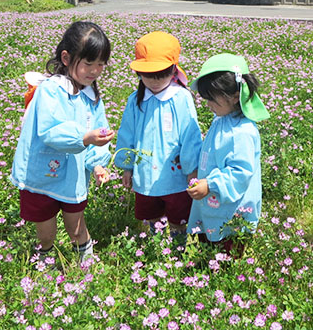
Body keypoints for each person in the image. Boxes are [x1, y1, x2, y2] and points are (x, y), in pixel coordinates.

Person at [10, 21, 115, 264]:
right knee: (46, 234)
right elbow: (50, 131)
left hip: (73, 176)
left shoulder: (92, 97)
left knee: (77, 227)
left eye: (101, 64)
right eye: (88, 63)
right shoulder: (51, 90)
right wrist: (84, 138)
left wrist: (98, 164)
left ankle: (86, 267)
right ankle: (44, 262)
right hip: (41, 175)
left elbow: (97, 134)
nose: (95, 71)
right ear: (66, 58)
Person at [115, 31, 202, 244]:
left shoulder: (181, 98)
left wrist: (192, 171)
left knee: (178, 219)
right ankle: (155, 247)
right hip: (144, 175)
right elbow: (126, 135)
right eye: (148, 75)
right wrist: (127, 167)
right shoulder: (135, 100)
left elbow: (191, 137)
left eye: (161, 75)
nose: (154, 82)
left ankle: (178, 250)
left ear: (173, 70)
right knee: (151, 216)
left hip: (177, 177)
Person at [187, 53, 270, 256]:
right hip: (212, 197)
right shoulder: (222, 119)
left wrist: (211, 184)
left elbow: (240, 171)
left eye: (212, 100)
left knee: (227, 251)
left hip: (232, 205)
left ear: (234, 96)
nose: (208, 105)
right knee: (209, 243)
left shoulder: (242, 132)